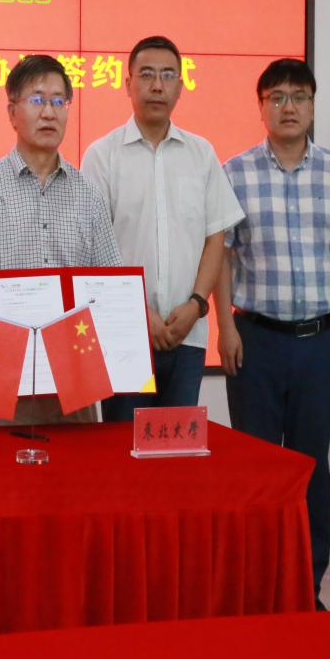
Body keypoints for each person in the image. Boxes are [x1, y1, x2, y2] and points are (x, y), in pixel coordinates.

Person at [215, 57, 330, 607]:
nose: (289, 107)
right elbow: (222, 255)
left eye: (299, 97)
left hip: (319, 343)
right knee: (256, 470)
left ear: (312, 105)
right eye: (276, 97)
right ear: (261, 107)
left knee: (310, 465)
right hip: (255, 340)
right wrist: (224, 326)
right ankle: (257, 588)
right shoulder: (234, 173)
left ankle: (307, 586)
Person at [0, 54, 122, 424]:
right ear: (12, 113)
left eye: (59, 101)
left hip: (75, 372)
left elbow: (109, 282)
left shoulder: (89, 194)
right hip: (3, 372)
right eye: (37, 99)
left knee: (77, 461)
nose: (49, 112)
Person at [82, 36, 243, 421]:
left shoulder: (201, 153)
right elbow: (94, 249)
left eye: (168, 75)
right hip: (125, 333)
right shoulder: (102, 156)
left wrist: (197, 304)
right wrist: (138, 312)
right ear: (128, 83)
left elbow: (216, 238)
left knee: (176, 448)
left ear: (181, 86)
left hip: (188, 332)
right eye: (147, 75)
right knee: (122, 448)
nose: (157, 86)